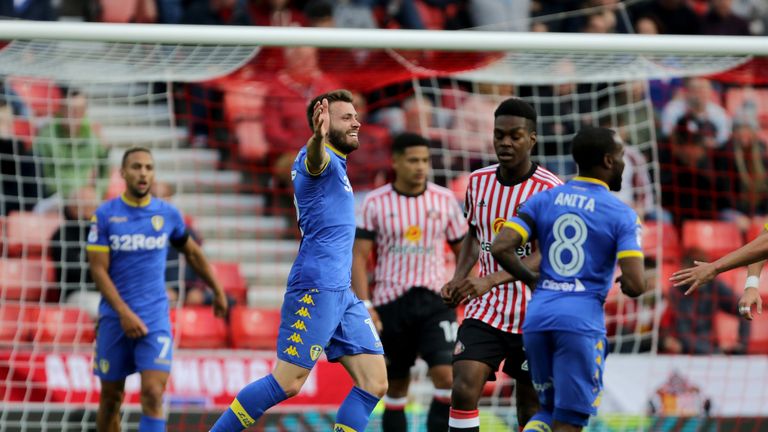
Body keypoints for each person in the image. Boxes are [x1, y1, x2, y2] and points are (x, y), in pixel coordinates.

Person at [210, 89, 388, 432]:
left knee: (374, 383)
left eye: (356, 116)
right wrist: (318, 139)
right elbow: (315, 159)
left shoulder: (339, 165)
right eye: (346, 117)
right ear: (322, 123)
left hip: (342, 292)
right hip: (317, 286)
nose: (357, 122)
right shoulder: (315, 158)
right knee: (289, 381)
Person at [490, 126, 647, 432]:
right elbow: (637, 284)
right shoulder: (622, 214)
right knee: (570, 421)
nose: (624, 163)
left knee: (547, 411)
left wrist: (532, 280)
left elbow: (500, 246)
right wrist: (628, 284)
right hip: (580, 321)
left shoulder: (545, 199)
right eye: (620, 156)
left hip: (538, 316)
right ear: (608, 161)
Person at [440, 98, 563, 432]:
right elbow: (473, 231)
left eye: (515, 136)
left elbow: (549, 252)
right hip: (486, 310)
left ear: (532, 139)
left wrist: (490, 279)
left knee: (529, 406)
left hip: (534, 312)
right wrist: (458, 277)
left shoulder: (550, 189)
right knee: (463, 387)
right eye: (499, 135)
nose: (505, 142)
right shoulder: (477, 181)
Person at [87, 147, 228, 432]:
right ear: (123, 173)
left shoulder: (167, 214)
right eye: (137, 167)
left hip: (154, 319)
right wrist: (124, 313)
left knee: (152, 393)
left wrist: (218, 289)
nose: (143, 173)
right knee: (111, 399)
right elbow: (98, 270)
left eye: (149, 168)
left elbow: (193, 253)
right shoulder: (105, 215)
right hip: (116, 319)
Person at [352, 132, 468, 432]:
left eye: (425, 160)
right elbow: (359, 257)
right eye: (413, 160)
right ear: (396, 161)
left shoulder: (443, 200)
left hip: (435, 302)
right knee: (395, 386)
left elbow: (464, 250)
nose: (420, 167)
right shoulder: (375, 202)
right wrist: (365, 304)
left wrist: (459, 285)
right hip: (391, 303)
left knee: (446, 377)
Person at [672, 223, 768, 320]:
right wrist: (751, 285)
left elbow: (763, 245)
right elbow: (761, 245)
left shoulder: (715, 286)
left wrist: (714, 267)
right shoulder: (674, 291)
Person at [661, 248, 749, 354]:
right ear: (683, 269)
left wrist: (742, 345)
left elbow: (743, 308)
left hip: (709, 350)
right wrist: (717, 353)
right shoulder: (676, 292)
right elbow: (685, 336)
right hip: (685, 353)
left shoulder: (714, 286)